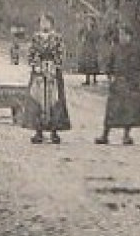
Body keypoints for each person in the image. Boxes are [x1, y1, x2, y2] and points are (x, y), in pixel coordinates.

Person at [20, 13, 70, 144]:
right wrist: (36, 65)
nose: (44, 25)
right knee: (37, 100)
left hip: (53, 72)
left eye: (46, 22)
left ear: (51, 24)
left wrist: (55, 65)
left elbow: (61, 53)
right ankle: (38, 131)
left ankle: (54, 131)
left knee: (54, 100)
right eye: (42, 22)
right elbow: (30, 53)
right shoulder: (35, 38)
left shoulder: (57, 38)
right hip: (39, 72)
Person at [96, 22, 140, 145]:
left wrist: (136, 80)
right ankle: (105, 135)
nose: (122, 37)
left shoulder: (136, 49)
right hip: (117, 82)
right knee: (111, 110)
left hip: (130, 83)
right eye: (120, 34)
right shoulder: (116, 48)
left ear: (130, 36)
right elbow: (110, 64)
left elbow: (139, 66)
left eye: (124, 34)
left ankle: (126, 136)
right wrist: (109, 75)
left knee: (129, 110)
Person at [76, 17, 101, 85]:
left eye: (90, 20)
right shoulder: (84, 29)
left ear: (93, 22)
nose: (88, 22)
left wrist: (90, 32)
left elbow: (97, 37)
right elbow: (79, 35)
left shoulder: (95, 29)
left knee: (93, 63)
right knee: (87, 63)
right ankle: (87, 80)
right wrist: (81, 38)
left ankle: (95, 79)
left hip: (93, 48)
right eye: (87, 20)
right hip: (86, 48)